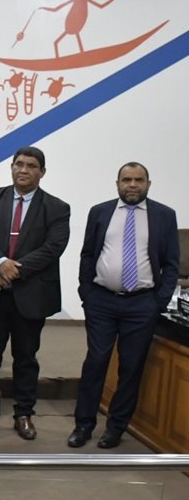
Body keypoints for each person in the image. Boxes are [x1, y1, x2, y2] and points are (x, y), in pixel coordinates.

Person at [0, 146, 70, 440]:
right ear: (11, 167)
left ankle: (24, 414)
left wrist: (12, 270)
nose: (23, 170)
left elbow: (53, 248)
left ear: (42, 172)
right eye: (18, 164)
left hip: (31, 294)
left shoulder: (57, 208)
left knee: (26, 357)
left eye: (31, 166)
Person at [68, 162, 178, 449]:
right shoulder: (100, 212)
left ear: (148, 184)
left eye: (138, 180)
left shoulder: (164, 215)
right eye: (126, 180)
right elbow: (88, 254)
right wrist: (86, 292)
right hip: (101, 301)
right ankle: (83, 425)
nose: (132, 185)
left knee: (131, 367)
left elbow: (171, 264)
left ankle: (115, 428)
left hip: (142, 304)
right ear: (117, 183)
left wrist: (158, 301)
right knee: (96, 361)